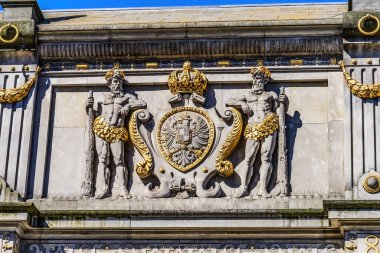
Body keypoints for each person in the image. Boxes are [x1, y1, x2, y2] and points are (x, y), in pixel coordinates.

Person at [226, 66, 287, 198]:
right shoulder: (247, 95)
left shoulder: (271, 94)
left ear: (265, 81)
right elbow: (228, 101)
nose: (257, 82)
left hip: (268, 126)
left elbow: (279, 111)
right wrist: (242, 104)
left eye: (260, 79)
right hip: (253, 126)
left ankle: (262, 189)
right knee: (249, 158)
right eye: (255, 79)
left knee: (266, 158)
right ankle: (243, 187)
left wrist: (283, 101)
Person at [86, 68, 146, 199]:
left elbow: (142, 103)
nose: (117, 83)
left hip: (117, 129)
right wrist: (88, 106)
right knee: (103, 158)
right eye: (114, 81)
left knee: (119, 160)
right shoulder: (102, 97)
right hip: (102, 128)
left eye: (119, 81)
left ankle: (123, 188)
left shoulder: (127, 97)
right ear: (109, 83)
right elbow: (93, 112)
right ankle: (104, 189)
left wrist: (129, 106)